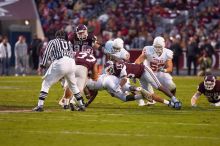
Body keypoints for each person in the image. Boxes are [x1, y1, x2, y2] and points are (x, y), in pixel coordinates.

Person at [33, 30, 85, 112]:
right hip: (71, 62)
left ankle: (40, 105)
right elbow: (72, 54)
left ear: (56, 36)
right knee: (73, 85)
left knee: (46, 83)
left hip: (61, 61)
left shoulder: (53, 41)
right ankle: (81, 105)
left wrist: (42, 65)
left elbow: (46, 53)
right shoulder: (68, 43)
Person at [105, 60, 182, 109]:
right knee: (148, 94)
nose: (109, 72)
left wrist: (118, 87)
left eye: (109, 70)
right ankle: (170, 104)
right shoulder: (115, 70)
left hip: (144, 71)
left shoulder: (119, 67)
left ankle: (174, 99)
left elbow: (124, 79)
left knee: (158, 86)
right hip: (139, 76)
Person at [135, 36, 179, 105]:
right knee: (148, 94)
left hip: (160, 73)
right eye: (156, 47)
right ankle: (147, 100)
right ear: (153, 45)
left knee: (172, 86)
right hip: (147, 73)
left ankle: (173, 98)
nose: (158, 49)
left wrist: (164, 70)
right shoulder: (148, 50)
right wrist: (135, 72)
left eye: (159, 47)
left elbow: (170, 68)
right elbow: (138, 61)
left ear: (163, 46)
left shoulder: (167, 53)